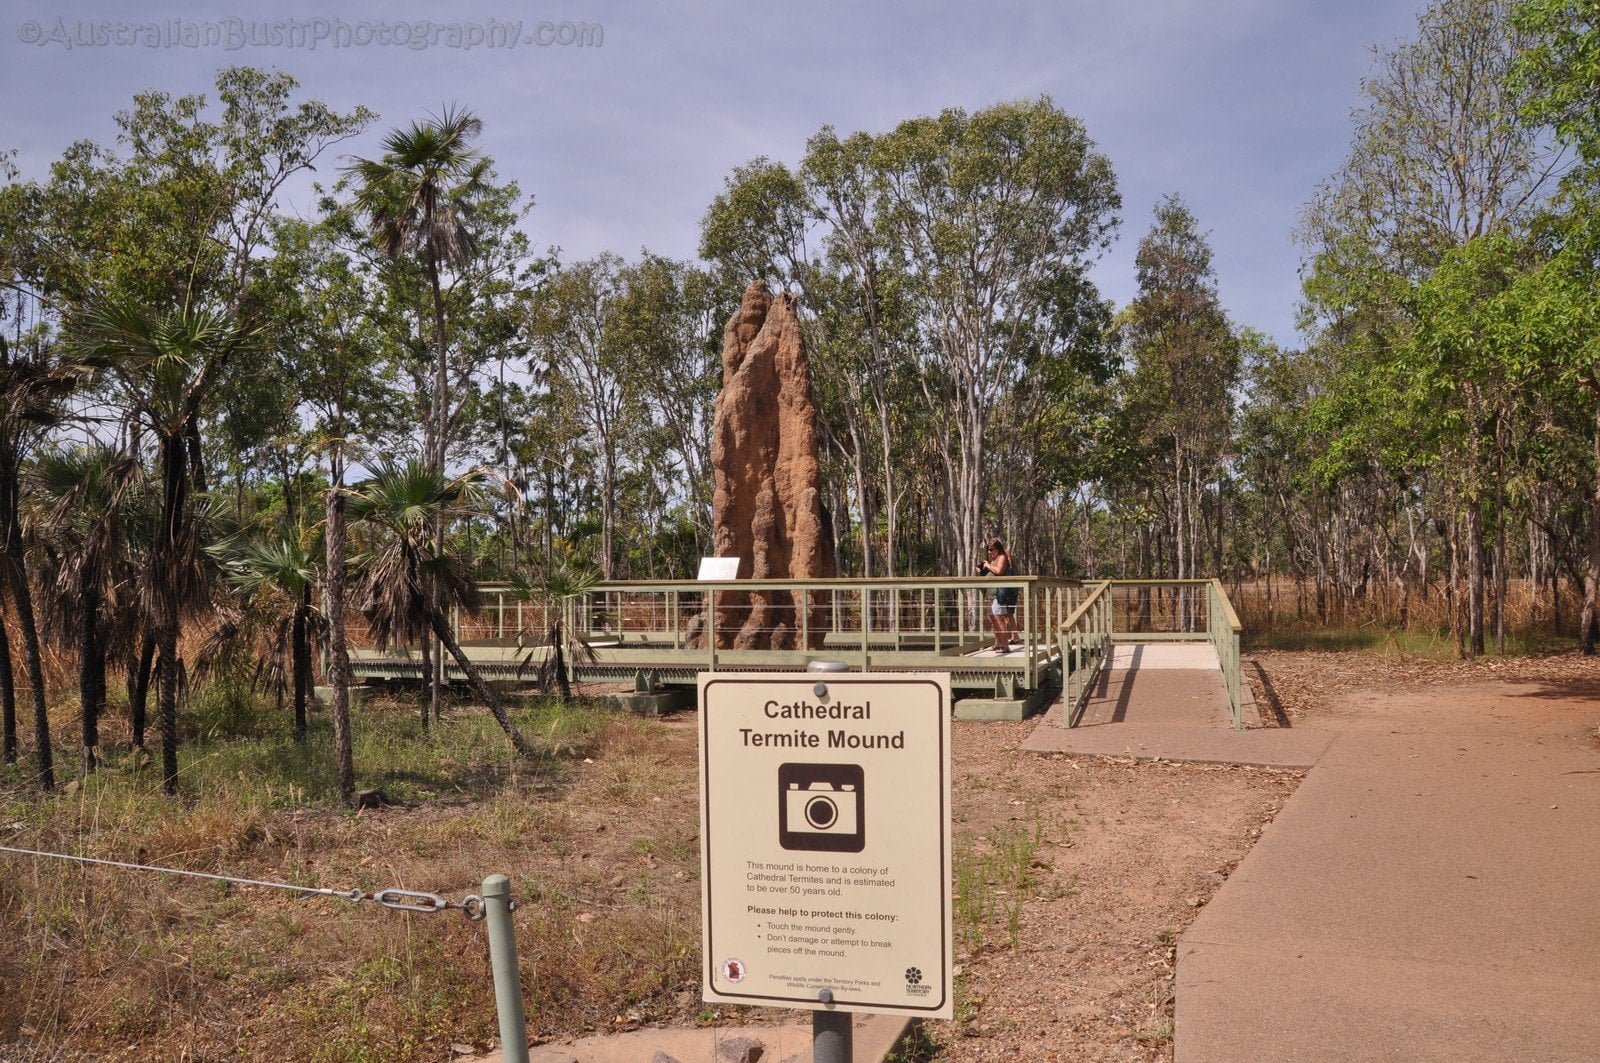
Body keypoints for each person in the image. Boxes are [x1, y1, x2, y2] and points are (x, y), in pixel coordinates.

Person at [976, 538, 1017, 651]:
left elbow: (999, 571)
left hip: (999, 594)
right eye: (988, 550)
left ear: (998, 549)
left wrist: (988, 566)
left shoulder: (1002, 558)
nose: (989, 552)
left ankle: (1005, 644)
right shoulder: (993, 560)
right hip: (990, 594)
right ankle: (998, 643)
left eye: (991, 549)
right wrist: (982, 571)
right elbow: (992, 574)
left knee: (999, 619)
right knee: (992, 619)